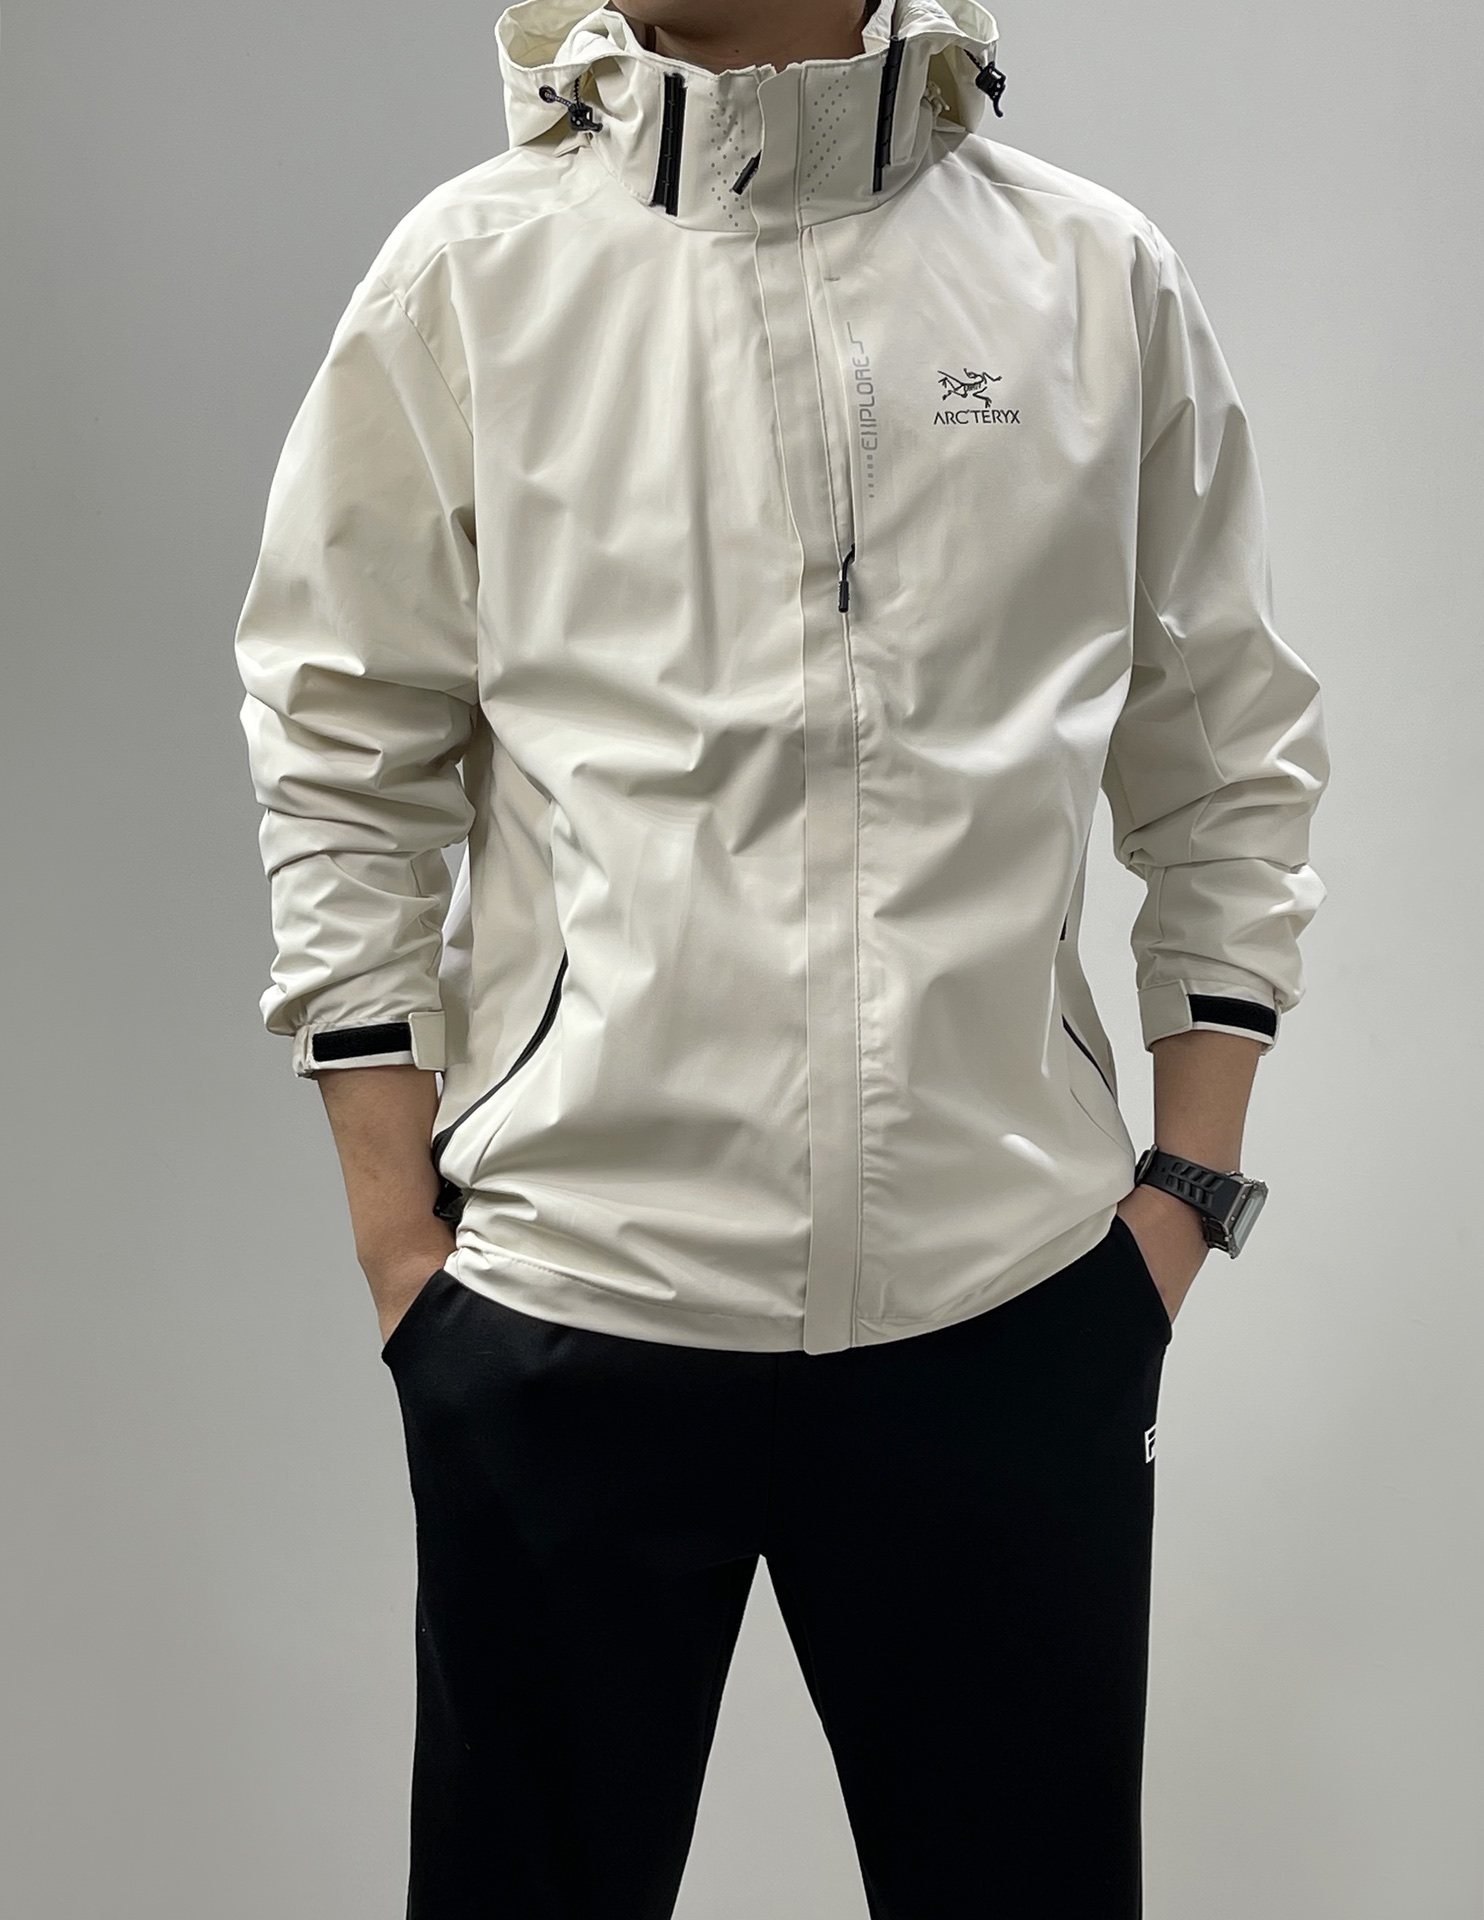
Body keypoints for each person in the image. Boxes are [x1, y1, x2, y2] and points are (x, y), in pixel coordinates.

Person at [234, 0, 1328, 1912]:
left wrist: (1184, 1197)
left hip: (1010, 1309)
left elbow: (1225, 747)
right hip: (573, 1305)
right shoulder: (471, 279)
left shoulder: (1091, 279)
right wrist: (402, 1251)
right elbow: (340, 748)